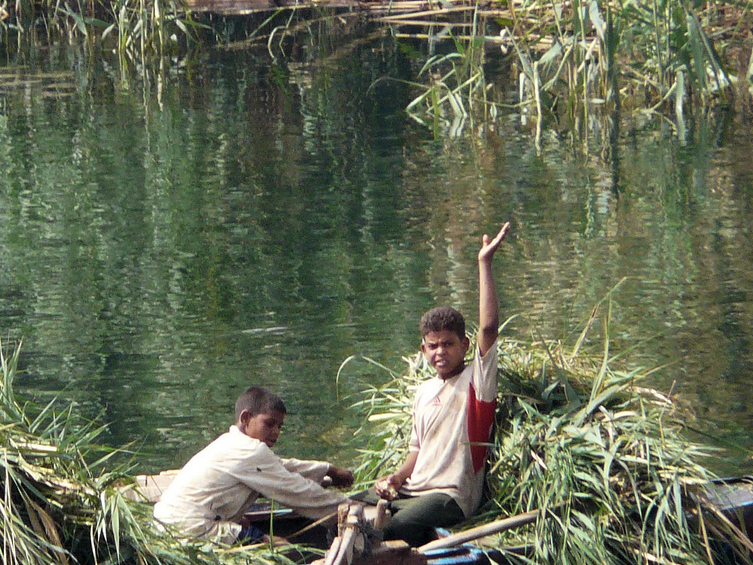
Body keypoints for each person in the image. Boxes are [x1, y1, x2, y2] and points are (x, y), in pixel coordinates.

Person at [360, 222, 510, 546]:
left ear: (465, 346)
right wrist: (396, 479)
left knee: (387, 529)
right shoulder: (424, 392)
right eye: (433, 345)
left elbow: (489, 327)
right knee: (347, 508)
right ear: (423, 349)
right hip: (413, 490)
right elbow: (416, 450)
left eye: (448, 344)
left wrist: (484, 264)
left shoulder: (477, 384)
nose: (440, 351)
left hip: (450, 497)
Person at [153, 386, 355, 543]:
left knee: (247, 525)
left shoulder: (231, 443)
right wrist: (348, 507)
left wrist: (327, 470)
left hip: (166, 523)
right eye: (269, 424)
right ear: (246, 418)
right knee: (282, 547)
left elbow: (280, 467)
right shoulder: (250, 451)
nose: (275, 432)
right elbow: (297, 491)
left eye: (279, 427)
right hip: (192, 528)